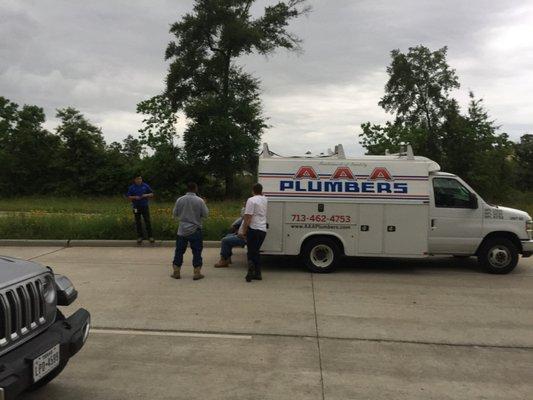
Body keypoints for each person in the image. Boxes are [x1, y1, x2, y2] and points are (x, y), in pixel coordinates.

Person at [171, 182, 209, 280]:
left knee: (179, 251)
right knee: (197, 251)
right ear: (195, 189)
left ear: (187, 189)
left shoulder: (180, 200)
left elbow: (175, 213)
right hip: (195, 229)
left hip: (182, 230)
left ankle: (176, 271)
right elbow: (205, 214)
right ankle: (197, 272)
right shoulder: (200, 201)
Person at [239, 183, 268, 282]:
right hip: (263, 230)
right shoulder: (265, 199)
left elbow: (248, 217)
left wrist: (244, 231)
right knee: (256, 252)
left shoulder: (251, 200)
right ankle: (258, 273)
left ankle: (250, 271)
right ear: (261, 190)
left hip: (253, 229)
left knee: (251, 252)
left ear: (252, 190)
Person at [126, 175, 154, 244]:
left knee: (147, 220)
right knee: (138, 221)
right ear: (134, 180)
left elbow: (152, 194)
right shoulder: (132, 187)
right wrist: (135, 197)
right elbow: (128, 197)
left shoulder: (145, 186)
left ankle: (150, 237)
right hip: (136, 206)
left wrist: (146, 195)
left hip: (144, 206)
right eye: (137, 179)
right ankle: (140, 237)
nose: (139, 180)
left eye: (140, 179)